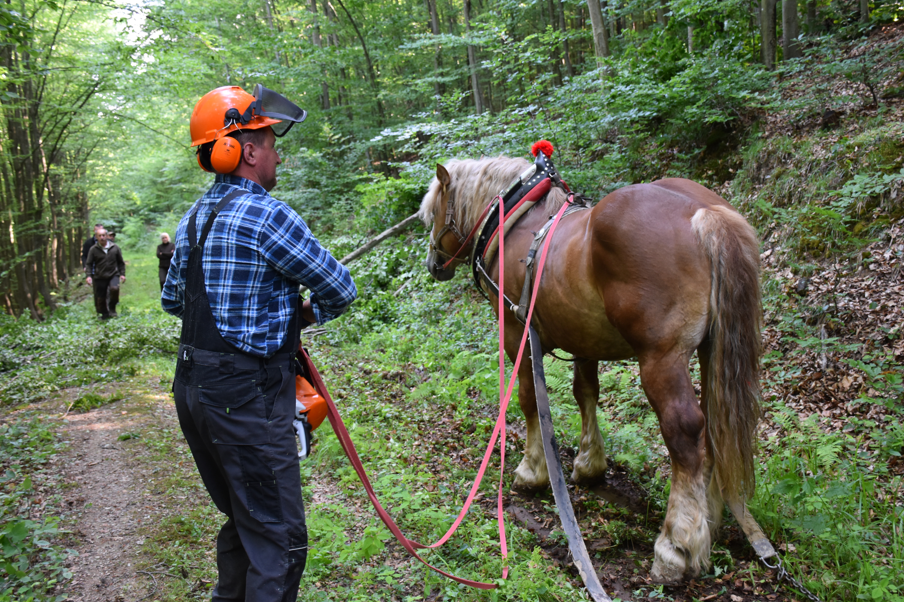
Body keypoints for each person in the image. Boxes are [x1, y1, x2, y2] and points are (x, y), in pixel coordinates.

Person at [162, 84, 356, 602]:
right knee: (279, 540)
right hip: (244, 398)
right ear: (247, 150)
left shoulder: (193, 218)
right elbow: (340, 289)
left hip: (192, 390)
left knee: (246, 521)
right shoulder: (268, 214)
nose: (277, 154)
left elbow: (174, 301)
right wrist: (301, 314)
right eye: (271, 142)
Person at [85, 228, 126, 319]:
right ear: (96, 237)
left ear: (107, 236)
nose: (102, 237)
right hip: (99, 276)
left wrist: (122, 274)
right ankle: (104, 314)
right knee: (100, 297)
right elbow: (89, 264)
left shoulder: (115, 247)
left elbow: (120, 262)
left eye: (103, 235)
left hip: (113, 274)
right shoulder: (93, 249)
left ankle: (112, 308)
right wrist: (88, 276)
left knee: (114, 289)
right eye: (99, 236)